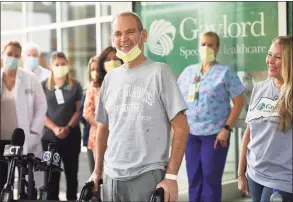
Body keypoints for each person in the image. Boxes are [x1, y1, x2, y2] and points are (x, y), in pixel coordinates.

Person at [88, 12, 189, 202]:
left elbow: (182, 127)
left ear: (144, 35)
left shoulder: (160, 73)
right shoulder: (110, 78)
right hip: (111, 176)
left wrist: (171, 176)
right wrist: (97, 172)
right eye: (117, 34)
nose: (123, 39)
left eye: (130, 32)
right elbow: (102, 128)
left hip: (147, 175)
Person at [177, 31, 245, 202]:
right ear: (198, 47)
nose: (206, 47)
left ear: (217, 48)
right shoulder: (188, 72)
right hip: (191, 134)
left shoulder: (225, 72)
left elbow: (239, 102)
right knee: (193, 179)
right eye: (203, 44)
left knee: (210, 180)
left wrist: (226, 128)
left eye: (211, 44)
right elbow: (178, 101)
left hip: (215, 135)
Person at [238, 36, 293, 202]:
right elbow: (249, 133)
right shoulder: (260, 89)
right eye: (270, 54)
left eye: (278, 57)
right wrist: (241, 173)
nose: (270, 61)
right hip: (255, 174)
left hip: (282, 179)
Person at [0, 41, 47, 191]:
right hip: (1, 139)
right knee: (2, 180)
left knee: (25, 182)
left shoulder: (30, 78)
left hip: (22, 139)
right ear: (2, 55)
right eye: (9, 54)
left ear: (20, 58)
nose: (12, 58)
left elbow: (41, 105)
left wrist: (34, 130)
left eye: (16, 55)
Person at [41, 51, 82, 200]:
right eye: (57, 65)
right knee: (52, 175)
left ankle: (72, 198)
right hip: (50, 138)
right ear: (51, 67)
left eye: (63, 64)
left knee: (71, 174)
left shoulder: (75, 85)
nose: (60, 67)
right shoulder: (44, 86)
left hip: (71, 136)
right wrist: (55, 128)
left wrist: (67, 128)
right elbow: (41, 112)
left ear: (67, 65)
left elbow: (78, 111)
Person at [83, 47, 122, 160]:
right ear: (103, 63)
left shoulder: (127, 82)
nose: (112, 62)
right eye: (108, 59)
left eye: (115, 58)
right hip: (99, 136)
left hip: (121, 137)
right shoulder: (95, 85)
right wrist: (105, 127)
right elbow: (87, 112)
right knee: (99, 174)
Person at [79, 92, 93, 173]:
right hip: (90, 136)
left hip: (109, 137)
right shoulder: (88, 92)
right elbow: (82, 115)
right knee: (94, 171)